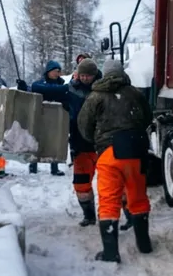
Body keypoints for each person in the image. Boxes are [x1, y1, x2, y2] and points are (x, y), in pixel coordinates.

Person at [77, 58, 154, 264]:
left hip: (110, 153)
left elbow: (84, 125)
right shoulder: (135, 93)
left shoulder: (95, 96)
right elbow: (148, 117)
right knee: (138, 197)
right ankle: (144, 244)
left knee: (109, 200)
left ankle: (111, 252)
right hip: (136, 151)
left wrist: (97, 140)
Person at [30, 58, 101, 227]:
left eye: (88, 75)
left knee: (113, 184)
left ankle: (126, 216)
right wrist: (24, 87)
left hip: (103, 145)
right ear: (77, 74)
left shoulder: (103, 89)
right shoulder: (70, 90)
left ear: (94, 75)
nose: (85, 79)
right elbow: (39, 88)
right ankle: (89, 215)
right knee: (81, 184)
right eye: (82, 75)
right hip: (80, 145)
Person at [18, 60, 66, 176]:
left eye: (58, 71)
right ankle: (33, 164)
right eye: (54, 71)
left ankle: (54, 166)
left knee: (55, 140)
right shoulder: (40, 84)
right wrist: (23, 87)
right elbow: (32, 91)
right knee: (38, 139)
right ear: (48, 72)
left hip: (56, 118)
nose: (57, 73)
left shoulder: (62, 84)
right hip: (41, 115)